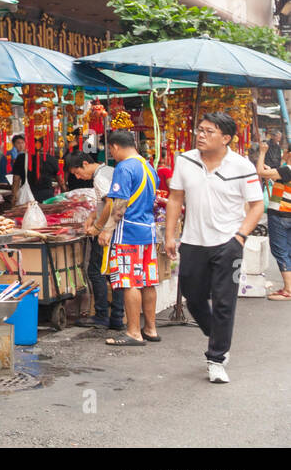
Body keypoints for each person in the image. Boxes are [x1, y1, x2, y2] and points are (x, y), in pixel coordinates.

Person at [166, 111, 264, 383]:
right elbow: (175, 198)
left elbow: (257, 206)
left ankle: (217, 357)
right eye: (200, 130)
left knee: (224, 302)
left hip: (228, 243)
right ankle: (218, 335)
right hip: (193, 242)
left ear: (226, 138)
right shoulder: (184, 160)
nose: (201, 135)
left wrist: (240, 237)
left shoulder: (242, 166)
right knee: (193, 297)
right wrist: (170, 235)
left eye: (209, 131)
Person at [97, 131, 159, 347]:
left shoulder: (124, 168)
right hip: (148, 230)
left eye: (110, 151)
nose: (112, 155)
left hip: (128, 232)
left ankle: (134, 332)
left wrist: (106, 230)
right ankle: (150, 328)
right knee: (148, 282)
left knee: (129, 281)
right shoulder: (148, 166)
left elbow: (120, 205)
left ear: (114, 147)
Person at [64, 151, 124, 331]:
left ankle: (102, 315)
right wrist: (92, 215)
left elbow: (110, 203)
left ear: (84, 164)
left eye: (77, 172)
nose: (78, 177)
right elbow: (103, 202)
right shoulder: (108, 171)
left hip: (109, 230)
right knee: (113, 273)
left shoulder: (100, 177)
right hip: (114, 229)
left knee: (96, 271)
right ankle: (116, 316)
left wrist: (99, 227)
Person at [256, 137, 291, 301]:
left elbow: (260, 173)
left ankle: (288, 290)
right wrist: (271, 170)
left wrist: (262, 153)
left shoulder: (287, 169)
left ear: (288, 154)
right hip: (287, 215)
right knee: (288, 251)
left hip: (281, 215)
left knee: (280, 251)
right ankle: (288, 287)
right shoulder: (284, 171)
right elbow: (277, 177)